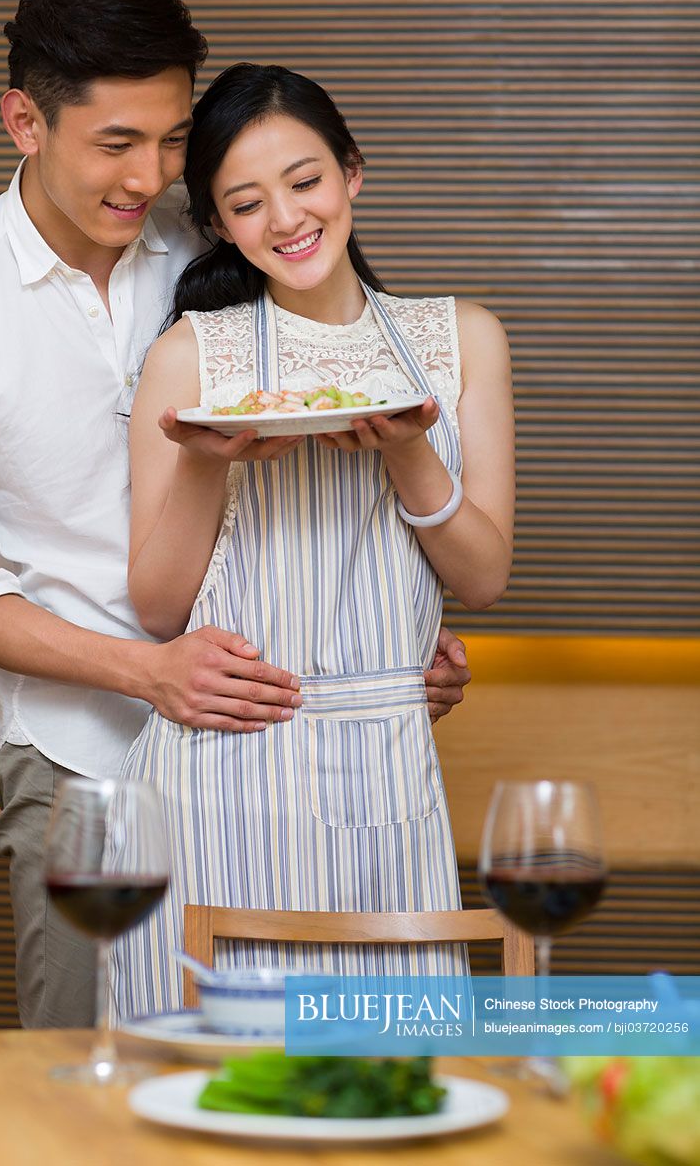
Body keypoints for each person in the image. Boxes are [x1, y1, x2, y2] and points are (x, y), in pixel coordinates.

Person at [0, 0, 472, 1029]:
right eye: (116, 143)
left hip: (260, 758)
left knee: (285, 1074)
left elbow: (340, 441)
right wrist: (150, 672)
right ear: (25, 120)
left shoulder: (217, 251)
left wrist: (380, 637)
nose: (151, 174)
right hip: (78, 762)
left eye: (170, 138)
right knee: (85, 1081)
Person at [112, 63, 514, 1019]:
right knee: (206, 1090)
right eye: (245, 203)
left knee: (389, 1080)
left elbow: (483, 574)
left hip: (384, 762)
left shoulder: (460, 338)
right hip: (217, 772)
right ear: (217, 225)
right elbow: (158, 607)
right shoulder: (188, 356)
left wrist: (411, 452)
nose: (286, 219)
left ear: (351, 175)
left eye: (305, 181)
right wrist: (210, 460)